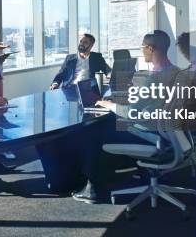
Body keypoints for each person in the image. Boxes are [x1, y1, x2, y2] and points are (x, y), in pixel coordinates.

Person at [72, 31, 182, 203]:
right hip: (169, 133)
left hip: (152, 135)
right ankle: (123, 170)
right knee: (110, 123)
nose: (142, 51)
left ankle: (92, 189)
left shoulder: (156, 78)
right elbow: (152, 101)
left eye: (143, 48)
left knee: (92, 131)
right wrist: (129, 97)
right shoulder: (175, 72)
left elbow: (132, 113)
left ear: (150, 48)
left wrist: (108, 104)